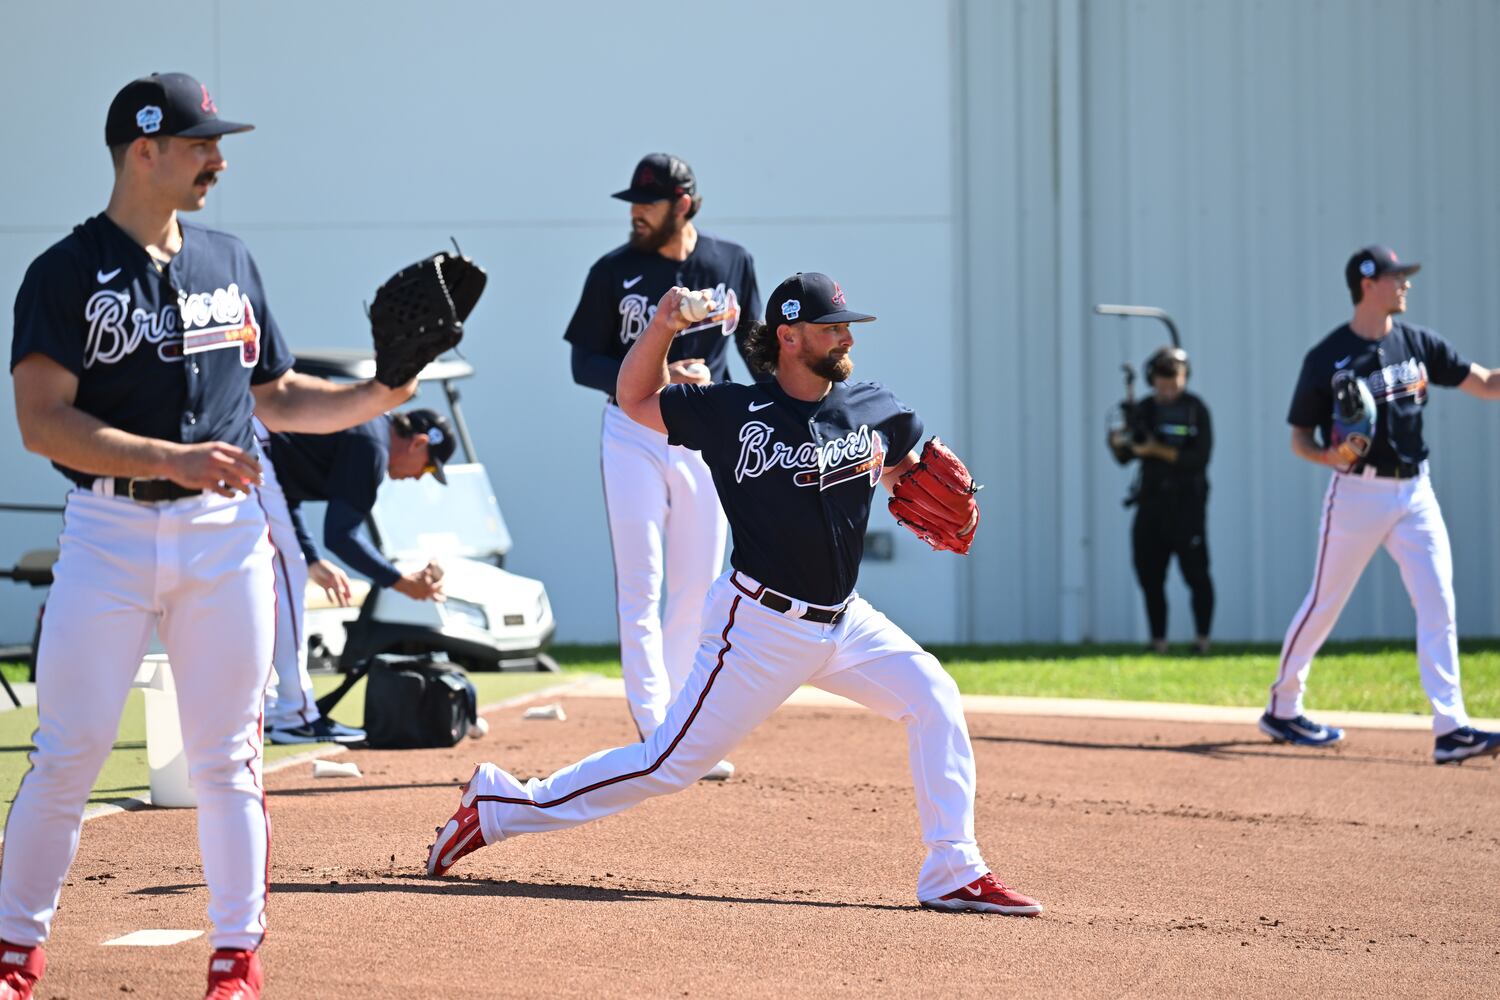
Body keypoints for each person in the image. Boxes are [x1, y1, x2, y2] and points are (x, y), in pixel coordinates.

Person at [428, 273, 1042, 917]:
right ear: (789, 335)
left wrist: (919, 483)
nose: (844, 336)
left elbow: (903, 467)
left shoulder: (872, 407)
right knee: (666, 765)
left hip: (845, 622)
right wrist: (663, 328)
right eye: (832, 326)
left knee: (933, 694)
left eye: (847, 326)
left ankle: (953, 868)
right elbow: (634, 398)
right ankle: (502, 806)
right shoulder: (728, 411)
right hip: (758, 628)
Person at [1, 72, 417, 1000]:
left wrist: (381, 394)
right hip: (108, 530)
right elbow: (41, 420)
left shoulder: (228, 261)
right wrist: (172, 455)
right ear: (142, 149)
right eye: (200, 145)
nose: (218, 160)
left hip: (221, 538)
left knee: (228, 755)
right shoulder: (65, 274)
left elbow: (276, 396)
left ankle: (236, 958)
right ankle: (14, 954)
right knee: (67, 751)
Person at [1262, 245, 1500, 764]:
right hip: (1357, 492)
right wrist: (1327, 456)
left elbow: (1484, 382)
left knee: (1438, 602)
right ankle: (1282, 707)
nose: (1406, 284)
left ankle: (1451, 727)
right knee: (1325, 602)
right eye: (1397, 277)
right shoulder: (1328, 357)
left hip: (1416, 491)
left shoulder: (1417, 343)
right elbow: (1299, 436)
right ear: (1368, 284)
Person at [563, 154, 760, 781]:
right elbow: (583, 364)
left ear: (685, 203)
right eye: (632, 201)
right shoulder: (614, 271)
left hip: (708, 432)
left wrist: (784, 413)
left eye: (647, 202)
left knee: (700, 587)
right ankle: (655, 725)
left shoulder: (731, 262)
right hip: (633, 432)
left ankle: (681, 723)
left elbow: (756, 348)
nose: (635, 212)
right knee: (641, 583)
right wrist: (656, 373)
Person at [254, 407, 454, 744]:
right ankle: (294, 716)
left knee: (266, 583)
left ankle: (276, 710)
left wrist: (313, 558)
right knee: (286, 578)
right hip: (251, 448)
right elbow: (342, 535)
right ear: (419, 443)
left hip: (248, 447)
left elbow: (288, 487)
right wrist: (399, 581)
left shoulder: (368, 430)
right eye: (430, 465)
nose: (421, 475)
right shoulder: (373, 446)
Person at [1108, 346, 1214, 654]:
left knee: (1196, 573)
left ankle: (1202, 641)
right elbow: (1126, 456)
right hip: (1151, 503)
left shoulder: (1196, 410)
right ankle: (1158, 642)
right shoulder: (1144, 410)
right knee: (1149, 573)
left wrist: (1157, 450)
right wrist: (1119, 443)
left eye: (1174, 384)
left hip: (1188, 505)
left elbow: (1199, 458)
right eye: (1162, 384)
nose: (1167, 392)